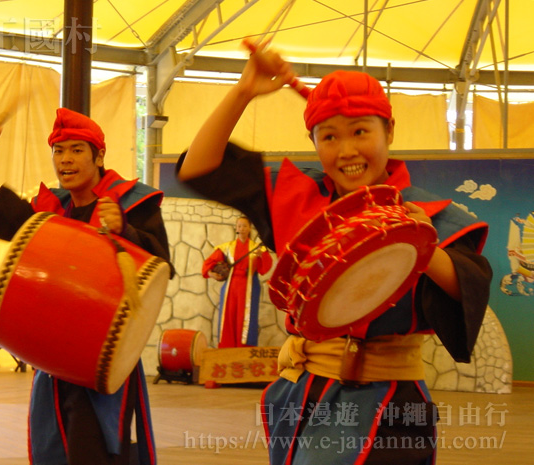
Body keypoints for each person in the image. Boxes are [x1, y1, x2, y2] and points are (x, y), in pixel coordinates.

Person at [177, 42, 492, 465]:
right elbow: (199, 169)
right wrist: (243, 92)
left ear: (389, 132)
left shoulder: (429, 212)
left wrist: (421, 243)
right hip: (301, 388)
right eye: (329, 136)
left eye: (360, 131)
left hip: (390, 403)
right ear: (314, 141)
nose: (346, 151)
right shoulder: (294, 195)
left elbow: (470, 285)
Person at [0, 107, 173, 465]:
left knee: (97, 451)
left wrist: (126, 231)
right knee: (55, 450)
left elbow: (162, 265)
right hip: (55, 363)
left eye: (77, 150)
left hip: (106, 356)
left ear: (99, 155)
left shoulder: (130, 203)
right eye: (59, 151)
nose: (66, 160)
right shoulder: (50, 213)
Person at [202, 215, 272, 347]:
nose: (242, 228)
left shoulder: (257, 248)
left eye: (245, 225)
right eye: (239, 225)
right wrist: (211, 274)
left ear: (250, 228)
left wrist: (262, 255)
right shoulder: (227, 247)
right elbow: (209, 263)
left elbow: (265, 267)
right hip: (231, 287)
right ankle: (227, 347)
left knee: (247, 318)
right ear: (236, 228)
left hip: (250, 287)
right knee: (229, 316)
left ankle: (245, 347)